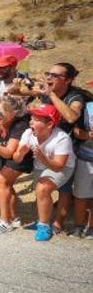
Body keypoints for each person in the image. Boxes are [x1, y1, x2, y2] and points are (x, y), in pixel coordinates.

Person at [36, 63, 87, 233]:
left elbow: (72, 116)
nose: (48, 77)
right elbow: (22, 92)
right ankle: (45, 220)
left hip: (71, 147)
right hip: (50, 144)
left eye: (54, 75)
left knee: (65, 189)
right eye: (48, 73)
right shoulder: (48, 92)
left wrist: (52, 96)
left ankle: (58, 223)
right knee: (50, 185)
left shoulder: (75, 97)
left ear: (68, 80)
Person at [13, 104, 75, 241]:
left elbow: (59, 166)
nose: (31, 122)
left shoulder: (62, 138)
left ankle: (44, 226)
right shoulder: (28, 133)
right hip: (41, 166)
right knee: (39, 193)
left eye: (36, 119)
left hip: (63, 167)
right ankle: (41, 221)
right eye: (31, 118)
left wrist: (43, 158)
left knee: (42, 188)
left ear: (50, 124)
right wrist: (21, 153)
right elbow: (16, 159)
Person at [0, 97, 32, 234]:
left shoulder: (20, 125)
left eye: (0, 113)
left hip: (21, 157)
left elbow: (8, 153)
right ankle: (14, 218)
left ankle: (5, 222)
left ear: (13, 113)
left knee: (1, 181)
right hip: (2, 154)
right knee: (6, 185)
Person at [69, 94, 93, 239]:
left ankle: (91, 227)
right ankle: (78, 226)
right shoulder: (87, 107)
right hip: (85, 157)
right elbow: (76, 132)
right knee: (80, 195)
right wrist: (89, 135)